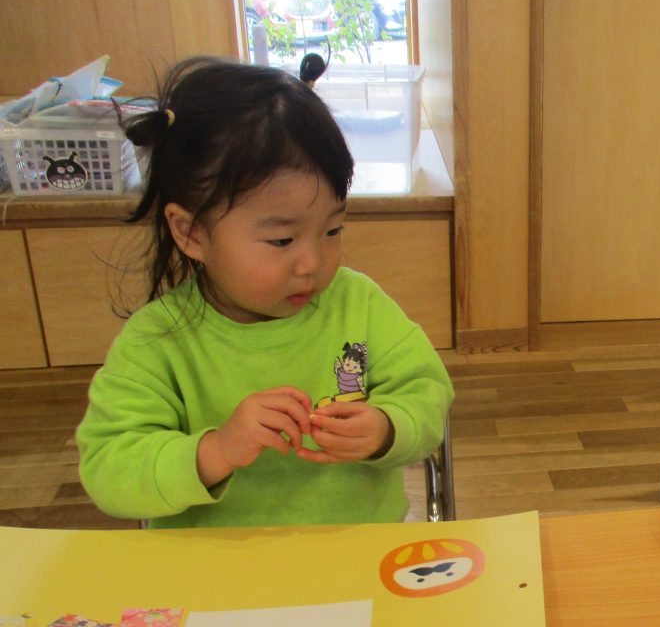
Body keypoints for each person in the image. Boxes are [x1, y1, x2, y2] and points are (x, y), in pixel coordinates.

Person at [77, 56, 453, 528]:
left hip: (355, 551)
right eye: (281, 240)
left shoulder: (358, 304)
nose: (313, 263)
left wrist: (387, 427)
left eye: (332, 230)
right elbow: (108, 468)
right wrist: (215, 450)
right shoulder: (158, 341)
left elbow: (427, 393)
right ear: (191, 232)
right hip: (211, 564)